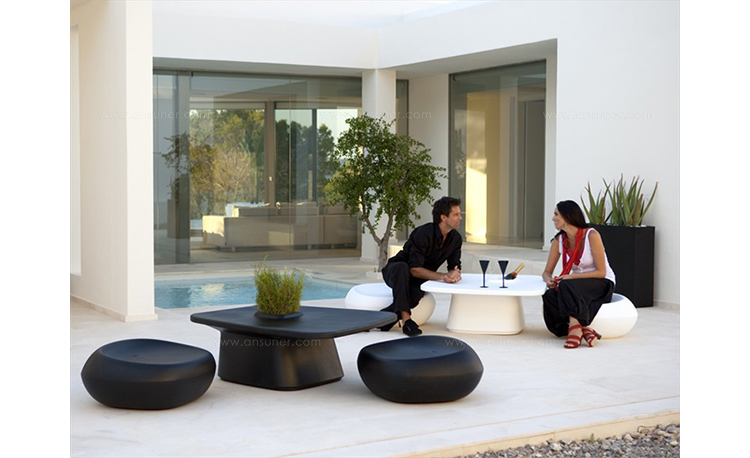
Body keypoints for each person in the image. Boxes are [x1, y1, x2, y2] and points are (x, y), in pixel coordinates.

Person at [380, 196, 463, 336]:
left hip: (418, 279)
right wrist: (443, 276)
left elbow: (454, 266)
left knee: (416, 293)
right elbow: (414, 268)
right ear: (443, 217)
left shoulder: (456, 239)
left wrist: (455, 274)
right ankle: (407, 321)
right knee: (402, 267)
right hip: (396, 272)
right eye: (456, 214)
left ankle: (383, 319)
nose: (460, 218)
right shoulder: (423, 233)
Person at [541, 200, 616, 348]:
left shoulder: (591, 235)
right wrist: (549, 280)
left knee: (566, 285)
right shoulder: (559, 241)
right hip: (574, 287)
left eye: (556, 214)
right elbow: (546, 272)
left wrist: (571, 277)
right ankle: (583, 328)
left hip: (601, 282)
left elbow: (601, 272)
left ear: (567, 217)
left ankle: (575, 330)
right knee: (550, 295)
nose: (553, 218)